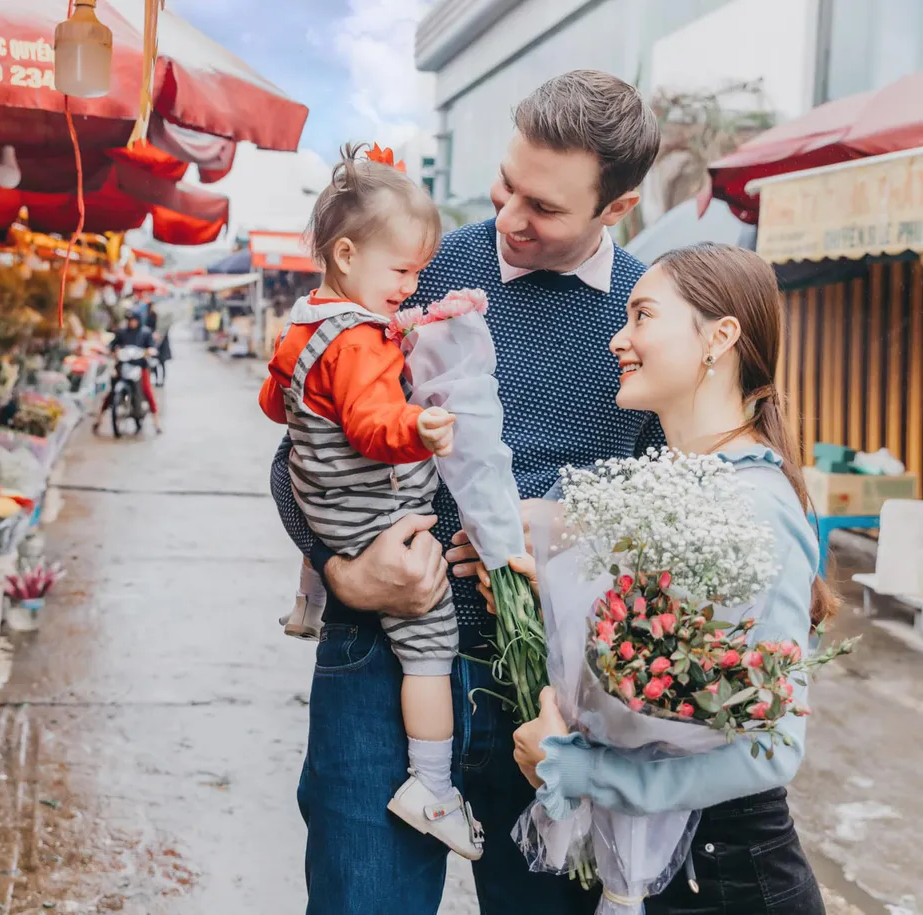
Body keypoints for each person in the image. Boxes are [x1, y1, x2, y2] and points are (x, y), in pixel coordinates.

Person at [269, 69, 661, 914]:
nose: (510, 219)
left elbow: (677, 508)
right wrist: (340, 569)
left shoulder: (650, 313)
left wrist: (569, 540)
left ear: (616, 208)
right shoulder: (415, 269)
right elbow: (297, 455)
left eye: (545, 208)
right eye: (506, 185)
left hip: (553, 689)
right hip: (380, 657)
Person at [511, 243, 831, 914]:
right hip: (665, 868)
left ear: (719, 336)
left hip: (729, 882)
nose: (617, 339)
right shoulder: (684, 486)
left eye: (642, 315)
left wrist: (585, 770)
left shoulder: (753, 504)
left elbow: (771, 751)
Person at [259, 144, 480, 859]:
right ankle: (432, 784)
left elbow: (275, 404)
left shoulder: (303, 324)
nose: (413, 285)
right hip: (377, 522)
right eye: (404, 271)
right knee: (428, 646)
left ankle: (305, 601)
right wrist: (416, 424)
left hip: (329, 511)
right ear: (347, 254)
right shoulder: (361, 341)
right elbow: (369, 425)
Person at [96, 313, 162, 434]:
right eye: (130, 320)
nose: (132, 322)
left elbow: (152, 346)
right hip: (123, 366)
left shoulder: (145, 333)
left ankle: (156, 422)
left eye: (134, 320)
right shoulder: (122, 332)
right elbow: (112, 344)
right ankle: (98, 420)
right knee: (111, 393)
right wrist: (112, 350)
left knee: (147, 391)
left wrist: (150, 351)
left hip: (140, 367)